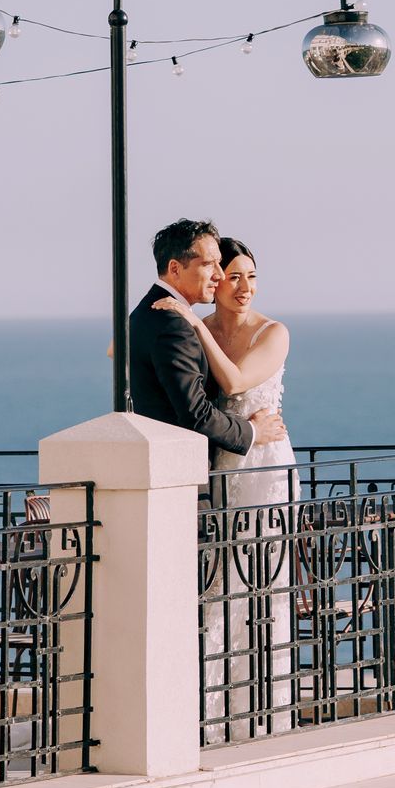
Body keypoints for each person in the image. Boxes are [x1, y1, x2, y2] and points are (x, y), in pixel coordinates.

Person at [155, 237, 296, 740]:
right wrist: (186, 322)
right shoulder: (201, 325)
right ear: (215, 282)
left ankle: (263, 706)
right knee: (217, 582)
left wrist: (193, 323)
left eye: (252, 277)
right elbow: (121, 349)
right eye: (233, 276)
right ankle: (211, 710)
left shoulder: (273, 333)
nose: (244, 287)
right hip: (219, 461)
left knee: (259, 578)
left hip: (261, 463)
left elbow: (234, 384)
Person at [128, 219, 286, 457]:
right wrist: (253, 431)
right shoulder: (173, 325)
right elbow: (196, 413)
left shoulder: (148, 313)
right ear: (174, 268)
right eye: (209, 265)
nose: (218, 274)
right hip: (181, 464)